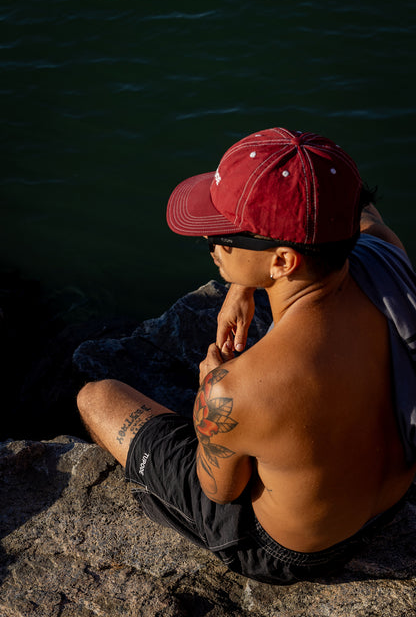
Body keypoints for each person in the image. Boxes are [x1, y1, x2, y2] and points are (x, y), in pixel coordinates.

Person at [77, 127, 416, 584]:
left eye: (222, 236)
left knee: (96, 396)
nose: (213, 245)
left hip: (294, 551)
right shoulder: (387, 255)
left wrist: (209, 399)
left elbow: (217, 489)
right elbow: (356, 208)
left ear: (282, 261)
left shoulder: (232, 391)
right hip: (392, 501)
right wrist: (243, 283)